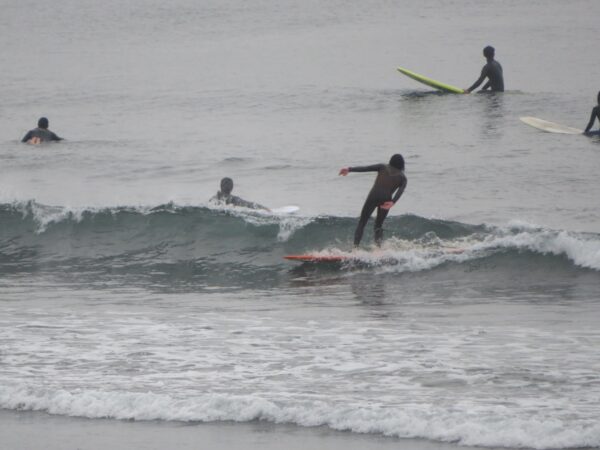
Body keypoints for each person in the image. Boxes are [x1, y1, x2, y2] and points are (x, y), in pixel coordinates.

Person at [339, 154, 407, 247]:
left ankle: (355, 248)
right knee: (378, 225)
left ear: (391, 160)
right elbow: (400, 191)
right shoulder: (403, 177)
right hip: (386, 199)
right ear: (402, 164)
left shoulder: (383, 167)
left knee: (362, 222)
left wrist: (349, 169)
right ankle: (378, 249)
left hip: (373, 196)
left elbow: (366, 168)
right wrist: (393, 202)